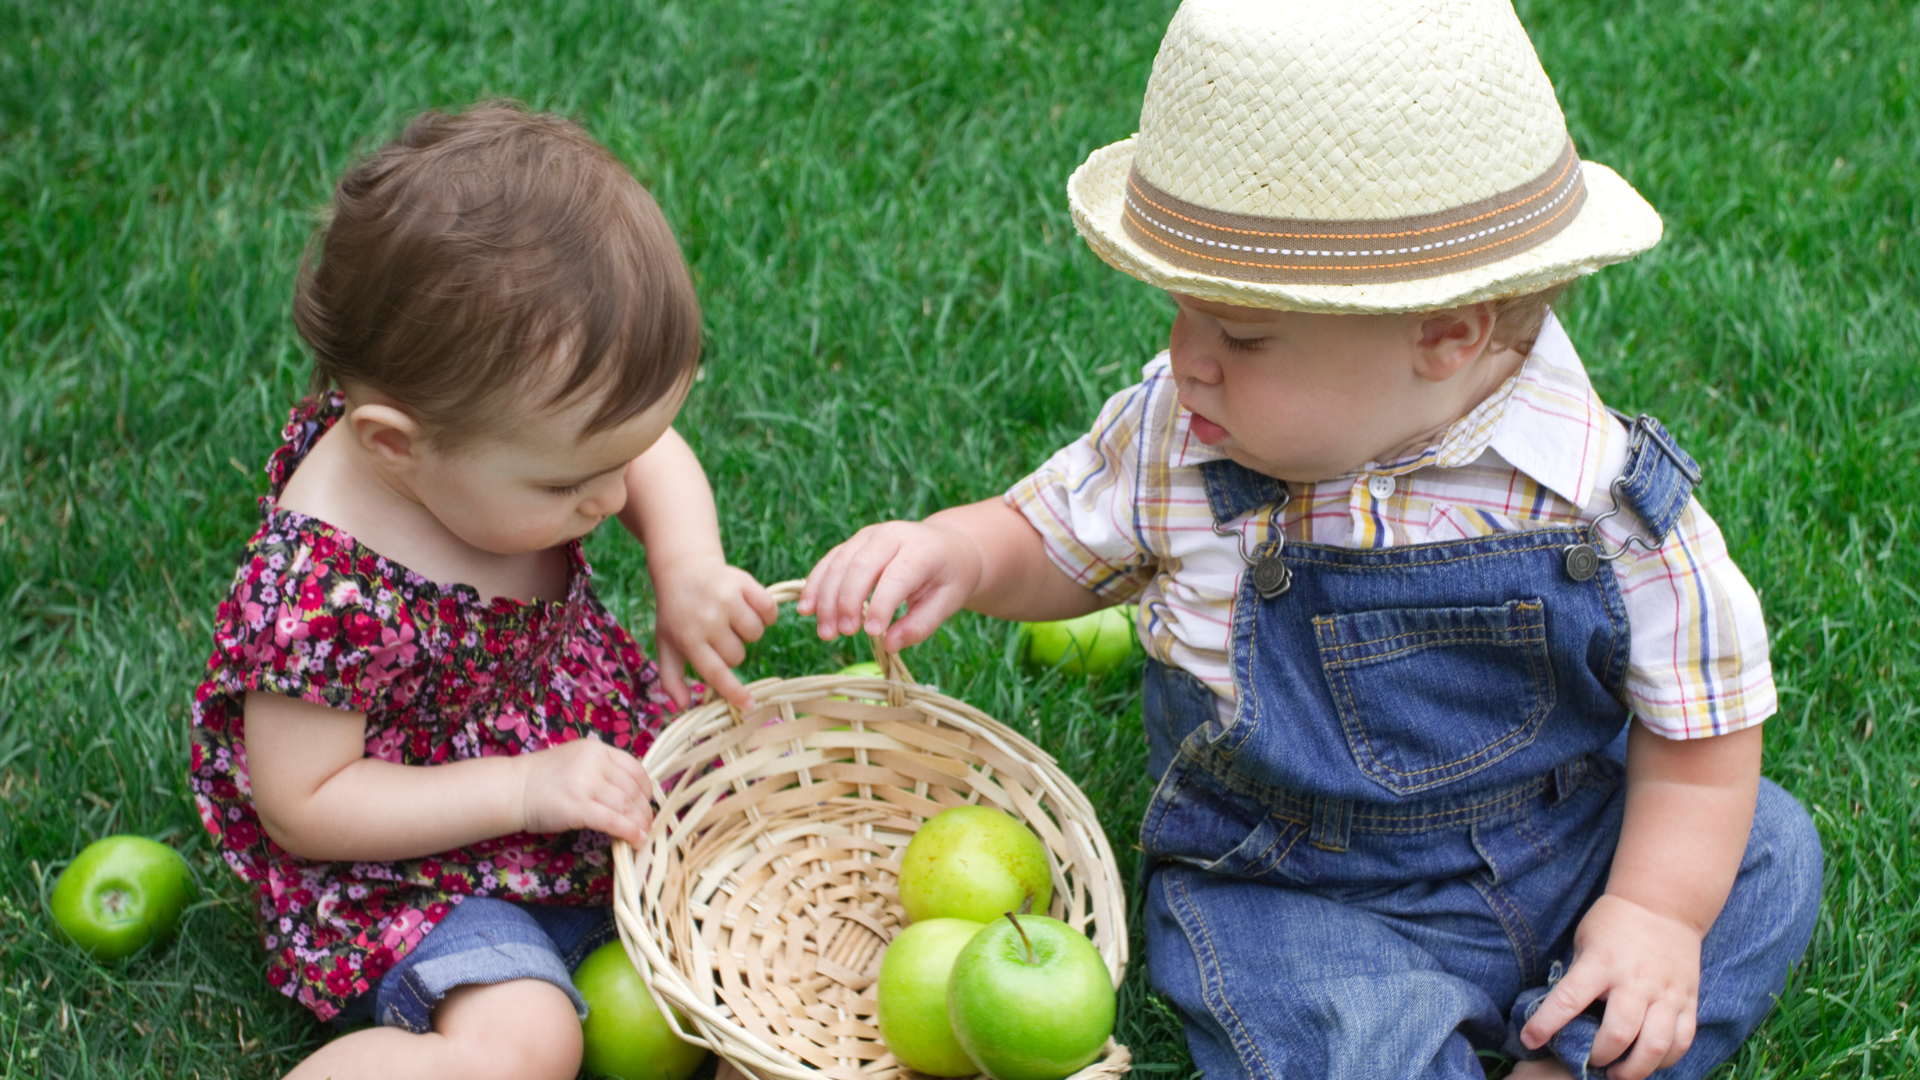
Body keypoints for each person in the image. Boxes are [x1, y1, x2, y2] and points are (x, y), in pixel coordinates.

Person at [800, 2, 1822, 1077]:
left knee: (1762, 853)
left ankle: (1568, 1049)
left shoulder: (1602, 495)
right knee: (1325, 1022)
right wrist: (958, 555)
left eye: (1241, 334)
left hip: (1563, 839)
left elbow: (1704, 727)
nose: (1185, 357)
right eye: (1181, 311)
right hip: (1294, 884)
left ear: (1447, 336)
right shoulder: (1180, 436)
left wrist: (1654, 908)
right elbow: (1052, 538)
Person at [188, 102, 776, 1080]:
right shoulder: (319, 592)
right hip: (412, 861)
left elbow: (650, 452)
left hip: (574, 760)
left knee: (749, 902)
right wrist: (521, 787)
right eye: (567, 484)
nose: (616, 494)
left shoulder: (514, 440)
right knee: (527, 1041)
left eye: (618, 455)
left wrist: (687, 565)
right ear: (393, 445)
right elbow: (305, 802)